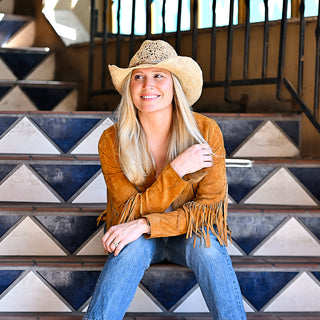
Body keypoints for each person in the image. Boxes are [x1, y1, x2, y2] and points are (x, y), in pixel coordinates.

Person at [84, 40, 246, 320]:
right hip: (139, 237)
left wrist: (147, 222)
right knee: (129, 247)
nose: (148, 85)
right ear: (129, 87)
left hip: (187, 235)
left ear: (175, 86)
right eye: (139, 77)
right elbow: (126, 212)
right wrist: (176, 171)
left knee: (208, 248)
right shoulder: (111, 141)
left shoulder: (205, 131)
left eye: (159, 75)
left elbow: (208, 211)